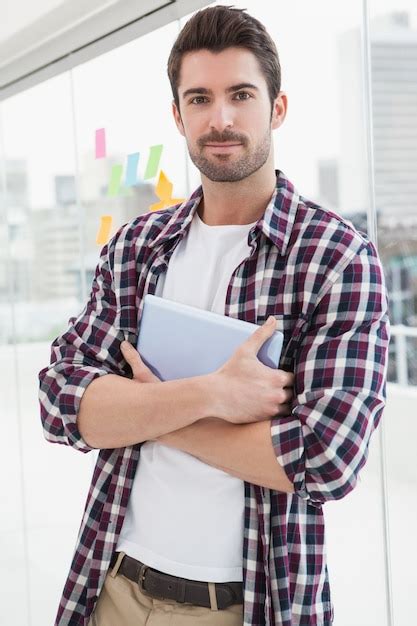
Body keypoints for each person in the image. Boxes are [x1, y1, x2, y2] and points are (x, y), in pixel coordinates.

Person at [38, 5, 391, 626]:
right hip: (112, 584)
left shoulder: (336, 257)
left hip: (247, 603)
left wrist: (146, 411)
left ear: (277, 108)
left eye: (241, 95)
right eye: (199, 98)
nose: (220, 118)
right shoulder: (136, 246)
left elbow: (327, 458)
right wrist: (212, 394)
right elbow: (60, 397)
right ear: (178, 115)